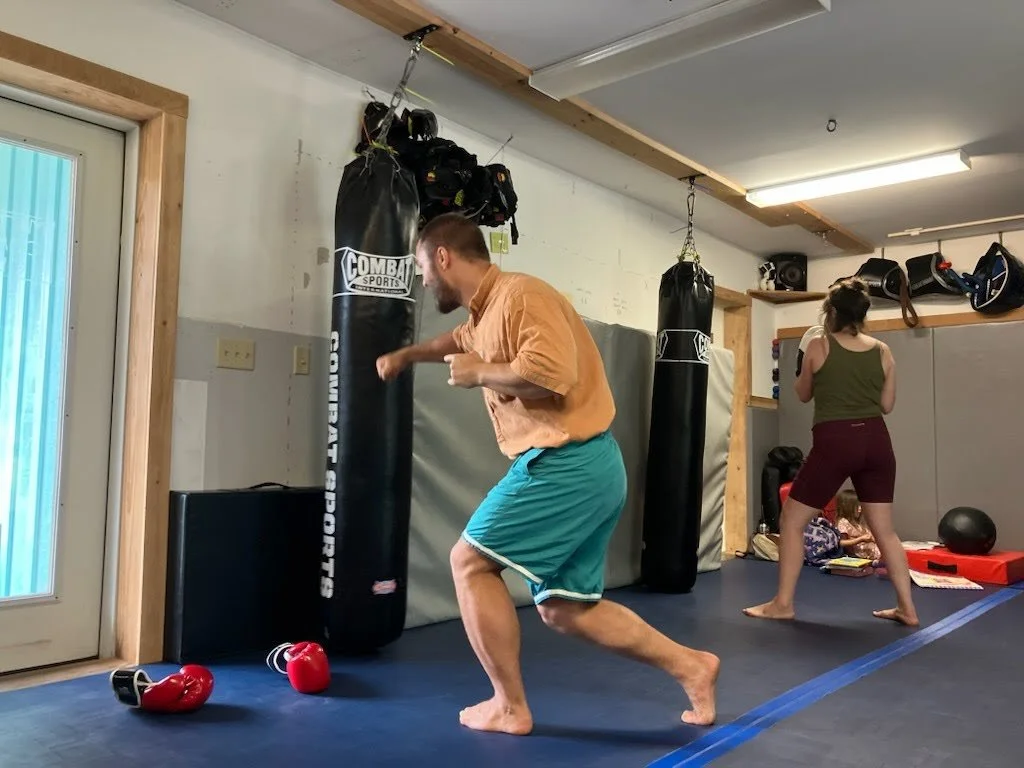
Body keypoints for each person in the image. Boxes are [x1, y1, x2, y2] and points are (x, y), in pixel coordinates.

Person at [376, 212, 720, 736]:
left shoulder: (521, 296)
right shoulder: (487, 311)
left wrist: (480, 375)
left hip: (566, 463)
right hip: (591, 466)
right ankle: (691, 665)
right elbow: (457, 341)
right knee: (566, 608)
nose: (424, 280)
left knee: (469, 564)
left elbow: (552, 375)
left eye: (424, 268)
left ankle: (509, 706)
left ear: (443, 257)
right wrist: (407, 355)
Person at [743, 277, 918, 627]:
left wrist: (806, 368)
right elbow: (886, 404)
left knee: (791, 521)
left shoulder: (820, 346)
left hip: (836, 440)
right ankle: (907, 609)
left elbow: (803, 394)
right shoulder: (882, 350)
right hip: (876, 441)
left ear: (832, 312)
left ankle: (783, 604)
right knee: (885, 531)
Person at [834, 489, 882, 563]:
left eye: (861, 506)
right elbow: (842, 542)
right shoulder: (843, 522)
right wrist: (860, 539)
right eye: (857, 506)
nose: (860, 509)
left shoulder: (858, 522)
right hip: (857, 554)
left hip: (870, 551)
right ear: (848, 507)